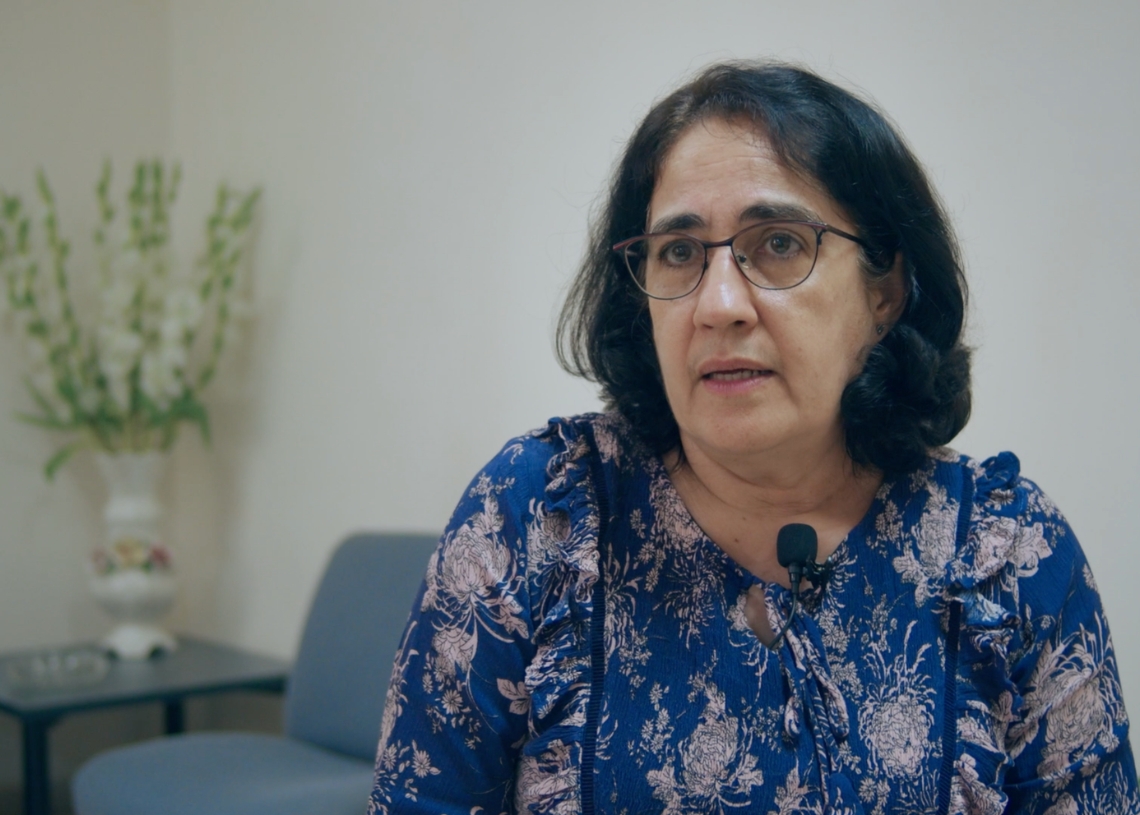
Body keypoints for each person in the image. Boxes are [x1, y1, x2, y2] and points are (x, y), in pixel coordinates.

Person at [368, 61, 1139, 815]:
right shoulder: (538, 512)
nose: (719, 305)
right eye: (678, 252)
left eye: (778, 243)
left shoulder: (1008, 551)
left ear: (883, 291)